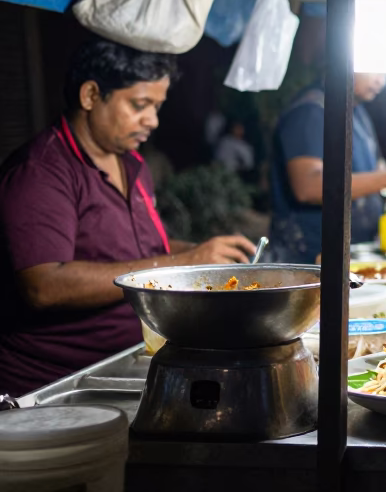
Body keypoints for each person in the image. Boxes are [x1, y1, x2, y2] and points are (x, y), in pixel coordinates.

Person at [0, 39, 256, 394]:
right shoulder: (41, 172)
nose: (152, 120)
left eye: (157, 106)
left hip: (130, 361)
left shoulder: (131, 162)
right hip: (58, 385)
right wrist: (185, 261)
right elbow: (44, 284)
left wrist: (209, 261)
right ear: (90, 95)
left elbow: (151, 249)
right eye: (140, 105)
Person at [269, 73, 386, 263]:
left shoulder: (357, 112)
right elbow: (308, 186)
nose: (381, 80)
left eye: (385, 73)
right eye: (374, 69)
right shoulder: (310, 112)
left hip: (354, 253)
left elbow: (379, 169)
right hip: (307, 260)